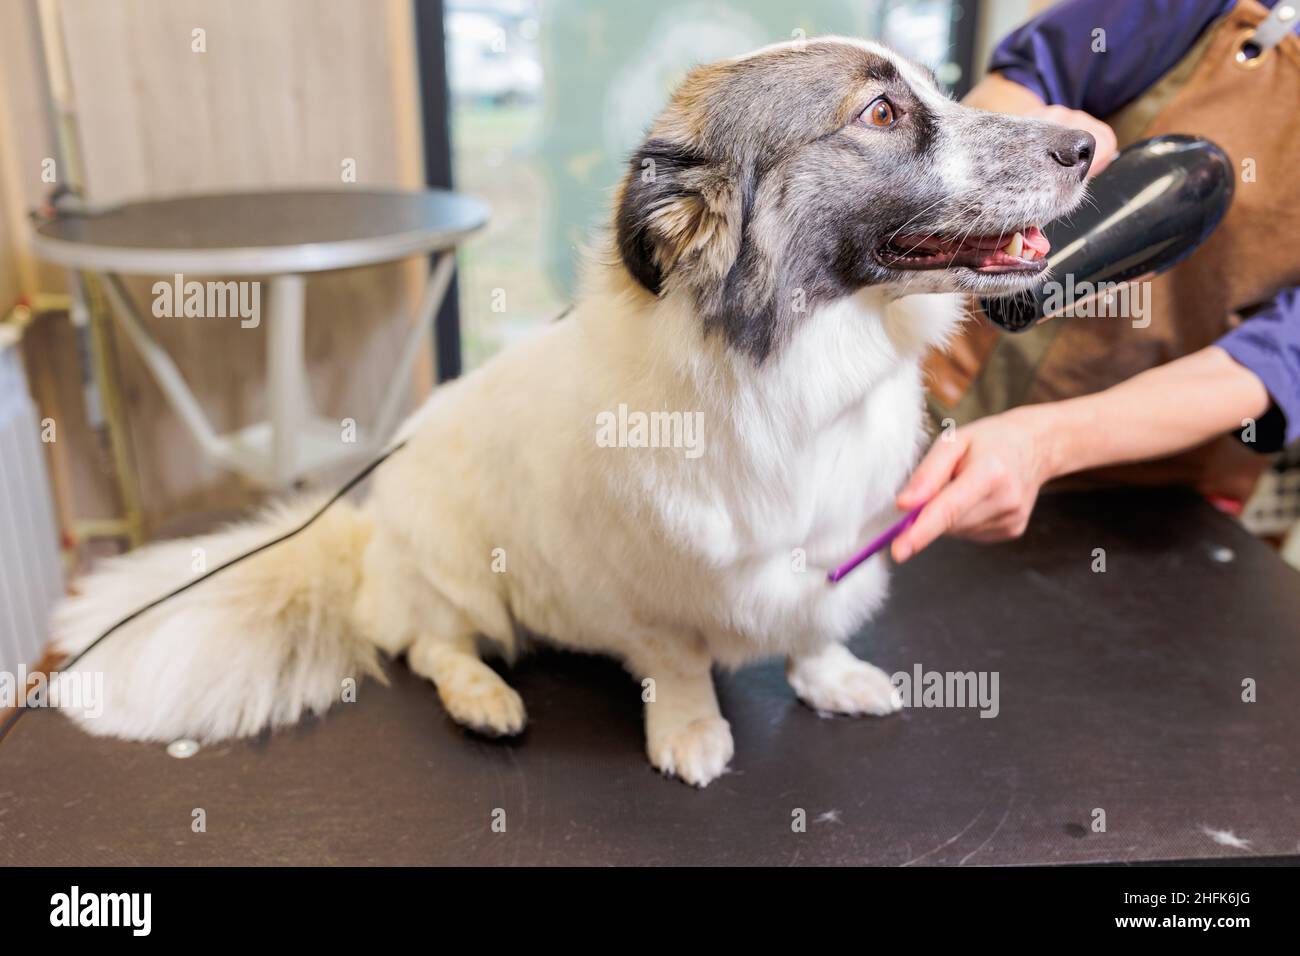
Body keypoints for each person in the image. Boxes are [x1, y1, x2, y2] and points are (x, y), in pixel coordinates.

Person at [892, 0, 1300, 563]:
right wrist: (1027, 139)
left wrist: (1042, 445)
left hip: (1147, 505)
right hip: (947, 397)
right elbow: (1021, 80)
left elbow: (1277, 360)